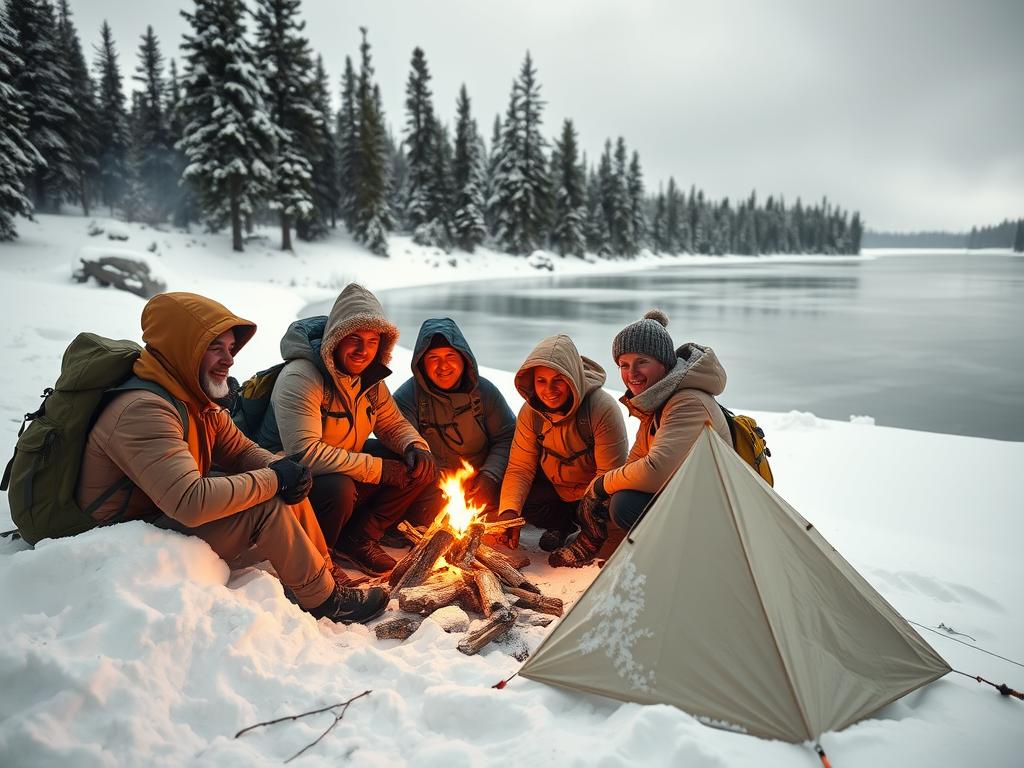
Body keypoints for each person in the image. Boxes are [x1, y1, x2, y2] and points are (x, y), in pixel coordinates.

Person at [76, 292, 387, 624]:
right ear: (183, 349)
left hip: (156, 509)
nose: (229, 359)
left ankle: (324, 573)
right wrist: (275, 480)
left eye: (230, 349)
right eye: (215, 349)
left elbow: (240, 451)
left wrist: (281, 469)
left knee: (284, 474)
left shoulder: (194, 396)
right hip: (121, 534)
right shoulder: (144, 408)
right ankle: (324, 599)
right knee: (267, 504)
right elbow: (189, 501)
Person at [256, 283, 436, 576]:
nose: (363, 350)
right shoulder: (301, 377)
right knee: (340, 487)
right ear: (335, 339)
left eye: (372, 340)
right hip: (288, 484)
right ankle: (317, 560)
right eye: (354, 338)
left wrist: (414, 446)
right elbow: (304, 455)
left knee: (414, 466)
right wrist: (378, 469)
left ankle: (357, 539)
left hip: (339, 468)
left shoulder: (370, 379)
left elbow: (391, 422)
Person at [549, 309, 730, 566]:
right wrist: (602, 492)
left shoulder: (686, 402)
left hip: (713, 514)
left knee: (625, 504)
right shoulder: (658, 401)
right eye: (624, 364)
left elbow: (656, 470)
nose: (631, 373)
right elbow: (636, 460)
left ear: (664, 363)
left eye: (642, 362)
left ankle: (680, 562)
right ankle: (605, 548)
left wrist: (601, 485)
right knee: (616, 495)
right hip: (689, 499)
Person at [496, 334, 628, 557]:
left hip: (594, 493)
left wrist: (590, 520)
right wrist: (509, 513)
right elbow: (520, 468)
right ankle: (562, 525)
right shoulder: (531, 413)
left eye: (559, 379)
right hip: (557, 491)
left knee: (614, 509)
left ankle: (584, 528)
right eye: (541, 381)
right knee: (522, 500)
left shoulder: (601, 408)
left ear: (572, 378)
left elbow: (609, 475)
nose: (549, 389)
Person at [393, 318, 516, 525]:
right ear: (421, 362)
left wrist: (490, 478)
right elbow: (402, 443)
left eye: (450, 355)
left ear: (464, 358)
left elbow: (506, 437)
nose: (443, 366)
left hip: (481, 481)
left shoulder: (485, 393)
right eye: (433, 357)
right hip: (434, 485)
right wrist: (440, 484)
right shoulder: (407, 397)